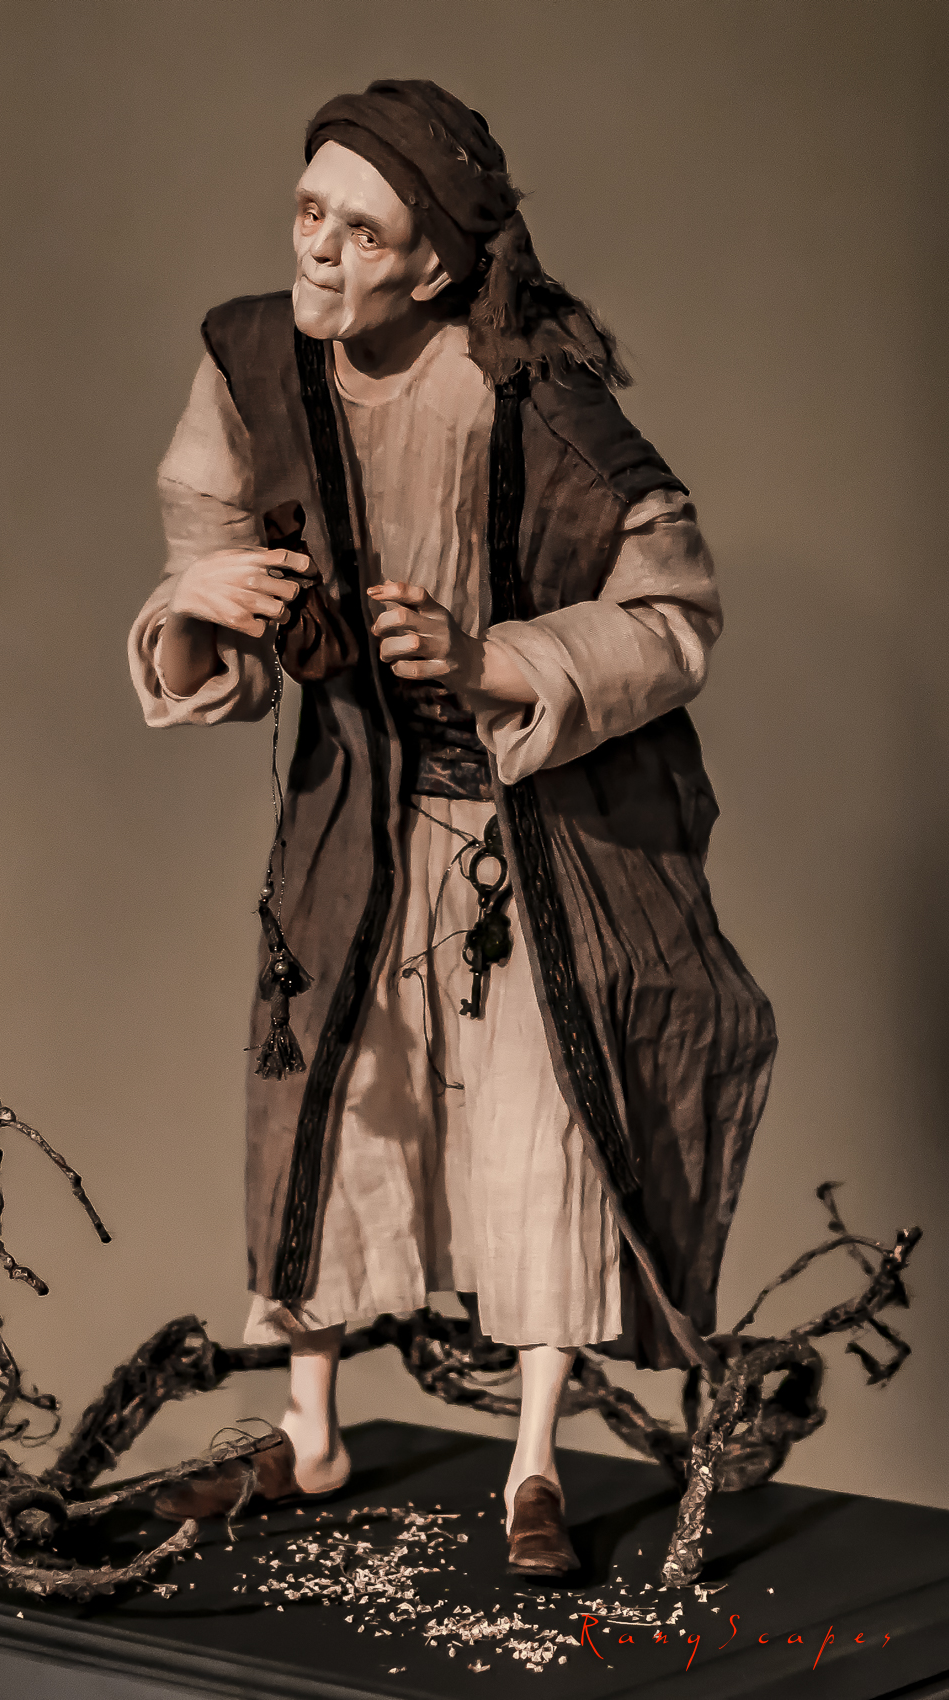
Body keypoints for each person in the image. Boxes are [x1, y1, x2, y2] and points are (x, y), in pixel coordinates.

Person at [129, 79, 776, 1574]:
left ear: (434, 265)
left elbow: (675, 613)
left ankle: (534, 1467)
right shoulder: (251, 367)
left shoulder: (535, 396)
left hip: (538, 843)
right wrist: (201, 603)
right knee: (328, 1104)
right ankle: (307, 1427)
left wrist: (494, 661)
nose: (318, 250)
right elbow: (215, 594)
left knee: (543, 1133)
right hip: (355, 824)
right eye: (310, 211)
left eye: (362, 232)